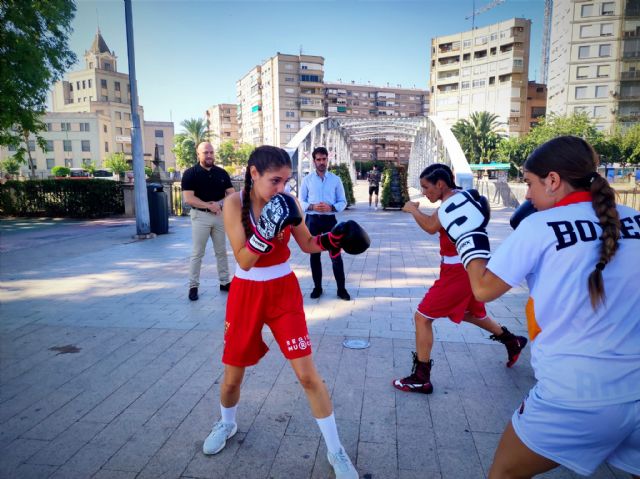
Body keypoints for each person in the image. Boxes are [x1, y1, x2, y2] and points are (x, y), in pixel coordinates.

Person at [438, 136, 640, 479]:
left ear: (553, 180)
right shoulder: (634, 217)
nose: (527, 194)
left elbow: (483, 289)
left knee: (502, 473)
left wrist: (468, 240)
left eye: (530, 183)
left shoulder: (538, 227)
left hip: (574, 396)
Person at [202, 145, 369, 479]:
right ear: (254, 174)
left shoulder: (289, 202)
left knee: (308, 375)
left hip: (282, 292)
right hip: (246, 292)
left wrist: (333, 240)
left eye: (287, 181)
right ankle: (226, 423)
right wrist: (265, 229)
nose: (282, 189)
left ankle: (336, 451)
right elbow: (244, 259)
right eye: (275, 181)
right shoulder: (234, 204)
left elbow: (307, 244)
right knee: (233, 376)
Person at [392, 163, 528, 394]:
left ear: (441, 184)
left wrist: (413, 210)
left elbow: (430, 226)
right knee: (472, 313)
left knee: (422, 318)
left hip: (459, 273)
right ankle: (511, 340)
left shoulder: (451, 203)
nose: (424, 192)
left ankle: (421, 377)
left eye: (427, 187)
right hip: (465, 269)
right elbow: (438, 225)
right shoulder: (460, 197)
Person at [182, 142, 235, 301]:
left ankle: (225, 282)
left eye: (211, 152)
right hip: (200, 216)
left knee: (221, 251)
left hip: (219, 215)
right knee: (197, 252)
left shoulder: (222, 173)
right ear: (198, 154)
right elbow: (189, 198)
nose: (209, 155)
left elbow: (232, 195)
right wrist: (208, 206)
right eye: (205, 152)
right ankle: (193, 286)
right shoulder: (190, 173)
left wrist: (218, 204)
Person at [299, 146, 350, 300]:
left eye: (324, 159)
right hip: (313, 221)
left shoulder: (336, 180)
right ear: (314, 161)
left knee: (336, 255)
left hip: (330, 221)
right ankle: (317, 288)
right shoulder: (307, 180)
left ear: (328, 159)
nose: (322, 162)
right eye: (318, 159)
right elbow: (301, 202)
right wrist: (313, 206)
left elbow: (343, 201)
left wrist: (331, 207)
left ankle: (341, 289)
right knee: (314, 256)